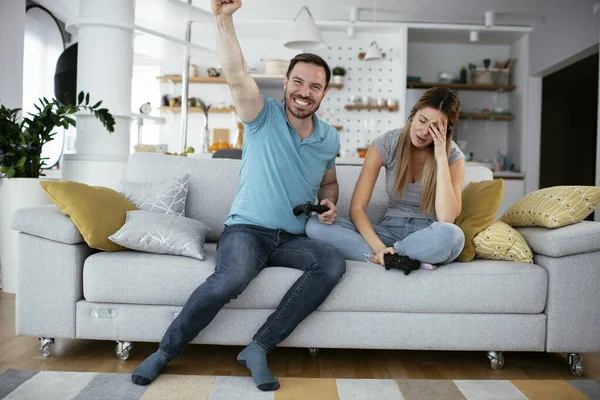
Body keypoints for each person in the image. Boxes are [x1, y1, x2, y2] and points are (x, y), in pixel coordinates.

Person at [131, 0, 346, 392]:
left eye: (315, 85)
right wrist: (223, 19)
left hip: (292, 238)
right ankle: (166, 350)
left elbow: (329, 183)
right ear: (285, 83)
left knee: (331, 263)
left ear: (324, 92)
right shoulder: (261, 115)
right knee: (229, 281)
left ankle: (259, 347)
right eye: (298, 82)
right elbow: (235, 74)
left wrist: (330, 201)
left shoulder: (329, 136)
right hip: (247, 229)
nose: (305, 91)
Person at [306, 87, 465, 268]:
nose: (424, 132)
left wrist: (441, 157)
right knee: (314, 225)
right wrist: (380, 248)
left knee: (453, 235)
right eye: (422, 120)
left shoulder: (453, 156)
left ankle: (399, 255)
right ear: (412, 115)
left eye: (435, 128)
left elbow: (446, 218)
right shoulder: (387, 143)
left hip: (427, 235)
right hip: (389, 231)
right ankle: (389, 257)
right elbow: (357, 209)